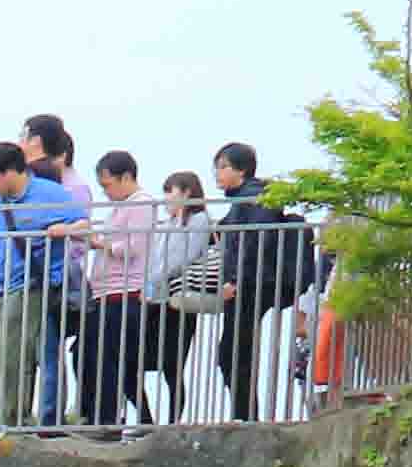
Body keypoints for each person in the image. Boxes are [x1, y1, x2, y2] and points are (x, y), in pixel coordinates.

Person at [0, 157, 86, 426]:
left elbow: (85, 225)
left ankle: (11, 420)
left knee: (9, 351)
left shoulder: (49, 193)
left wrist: (66, 230)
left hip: (30, 286)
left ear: (8, 173)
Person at [208, 141, 328, 422]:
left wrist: (235, 278)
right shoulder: (245, 200)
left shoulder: (254, 198)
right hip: (253, 283)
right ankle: (246, 415)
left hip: (252, 285)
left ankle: (246, 417)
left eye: (223, 166)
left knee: (234, 353)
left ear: (242, 170)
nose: (218, 173)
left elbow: (253, 241)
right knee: (235, 352)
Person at [72, 151, 164, 428]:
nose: (106, 192)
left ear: (126, 177)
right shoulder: (123, 206)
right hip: (106, 293)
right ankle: (99, 415)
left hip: (122, 293)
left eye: (108, 184)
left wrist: (98, 243)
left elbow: (133, 248)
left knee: (105, 358)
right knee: (88, 353)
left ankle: (106, 418)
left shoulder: (142, 204)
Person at [144, 171, 221, 419]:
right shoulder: (170, 224)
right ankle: (153, 421)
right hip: (162, 297)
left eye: (171, 191)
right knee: (153, 362)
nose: (167, 197)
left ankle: (171, 423)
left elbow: (182, 257)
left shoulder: (198, 220)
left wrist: (154, 280)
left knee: (173, 366)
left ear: (187, 192)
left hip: (179, 296)